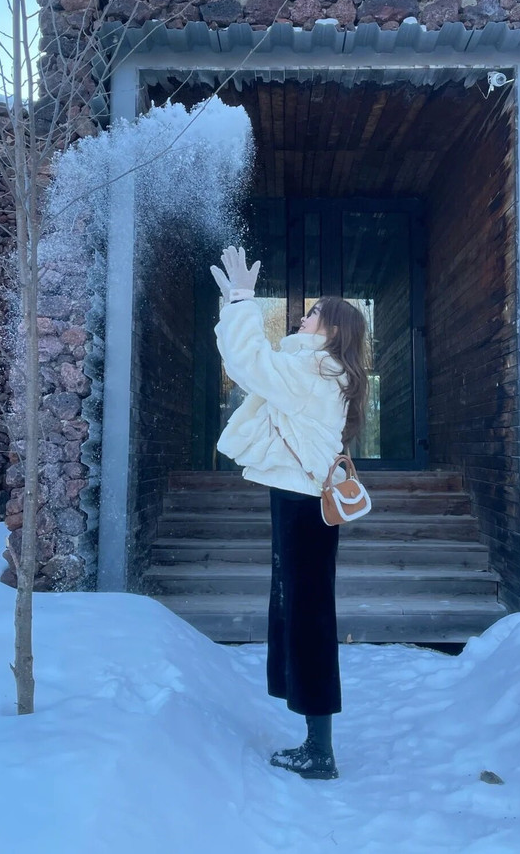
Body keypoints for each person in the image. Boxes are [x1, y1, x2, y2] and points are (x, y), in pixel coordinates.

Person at [210, 246, 368, 781]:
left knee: (308, 617)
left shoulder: (317, 370)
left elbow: (250, 364)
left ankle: (320, 753)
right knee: (300, 612)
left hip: (304, 506)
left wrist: (242, 302)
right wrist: (239, 307)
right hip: (299, 502)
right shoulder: (316, 367)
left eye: (315, 312)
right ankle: (315, 741)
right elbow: (256, 367)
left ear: (334, 329)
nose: (305, 316)